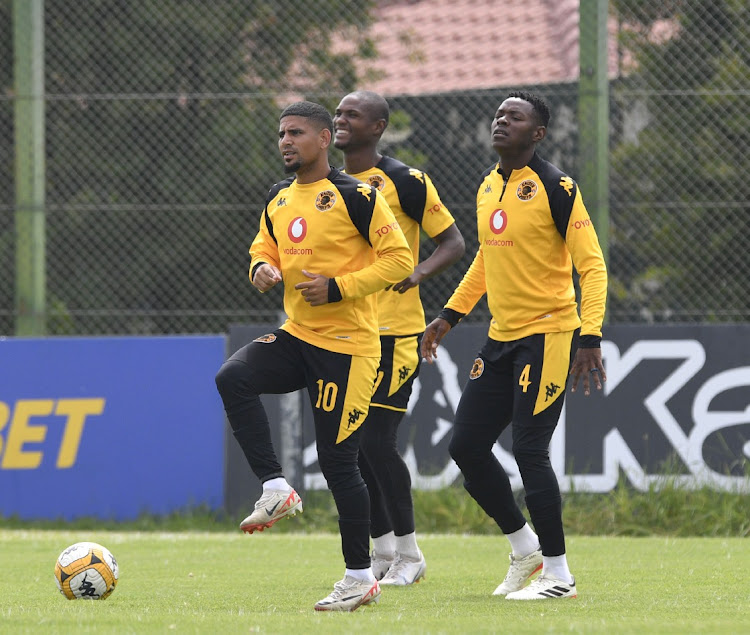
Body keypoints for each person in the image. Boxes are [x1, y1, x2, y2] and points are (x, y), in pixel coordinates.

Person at [215, 101, 413, 612]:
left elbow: (400, 259)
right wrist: (260, 268)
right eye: (281, 132)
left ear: (325, 139)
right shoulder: (278, 198)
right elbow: (263, 247)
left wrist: (341, 287)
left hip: (349, 351)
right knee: (232, 376)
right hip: (299, 335)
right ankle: (277, 487)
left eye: (297, 132)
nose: (285, 141)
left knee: (338, 462)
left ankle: (359, 576)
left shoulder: (357, 196)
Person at [421, 91, 607, 600]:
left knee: (529, 449)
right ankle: (525, 546)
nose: (502, 121)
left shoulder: (556, 187)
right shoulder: (488, 185)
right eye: (500, 114)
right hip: (500, 338)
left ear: (538, 133)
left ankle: (559, 576)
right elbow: (485, 259)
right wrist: (447, 316)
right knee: (465, 447)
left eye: (516, 117)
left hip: (550, 335)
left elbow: (591, 266)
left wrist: (589, 336)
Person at [332, 91, 465, 586]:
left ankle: (410, 555)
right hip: (348, 334)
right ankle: (384, 552)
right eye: (339, 113)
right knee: (356, 447)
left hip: (395, 335)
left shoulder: (406, 180)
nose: (342, 120)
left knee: (377, 441)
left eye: (353, 115)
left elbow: (453, 241)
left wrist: (417, 273)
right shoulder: (330, 185)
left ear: (379, 126)